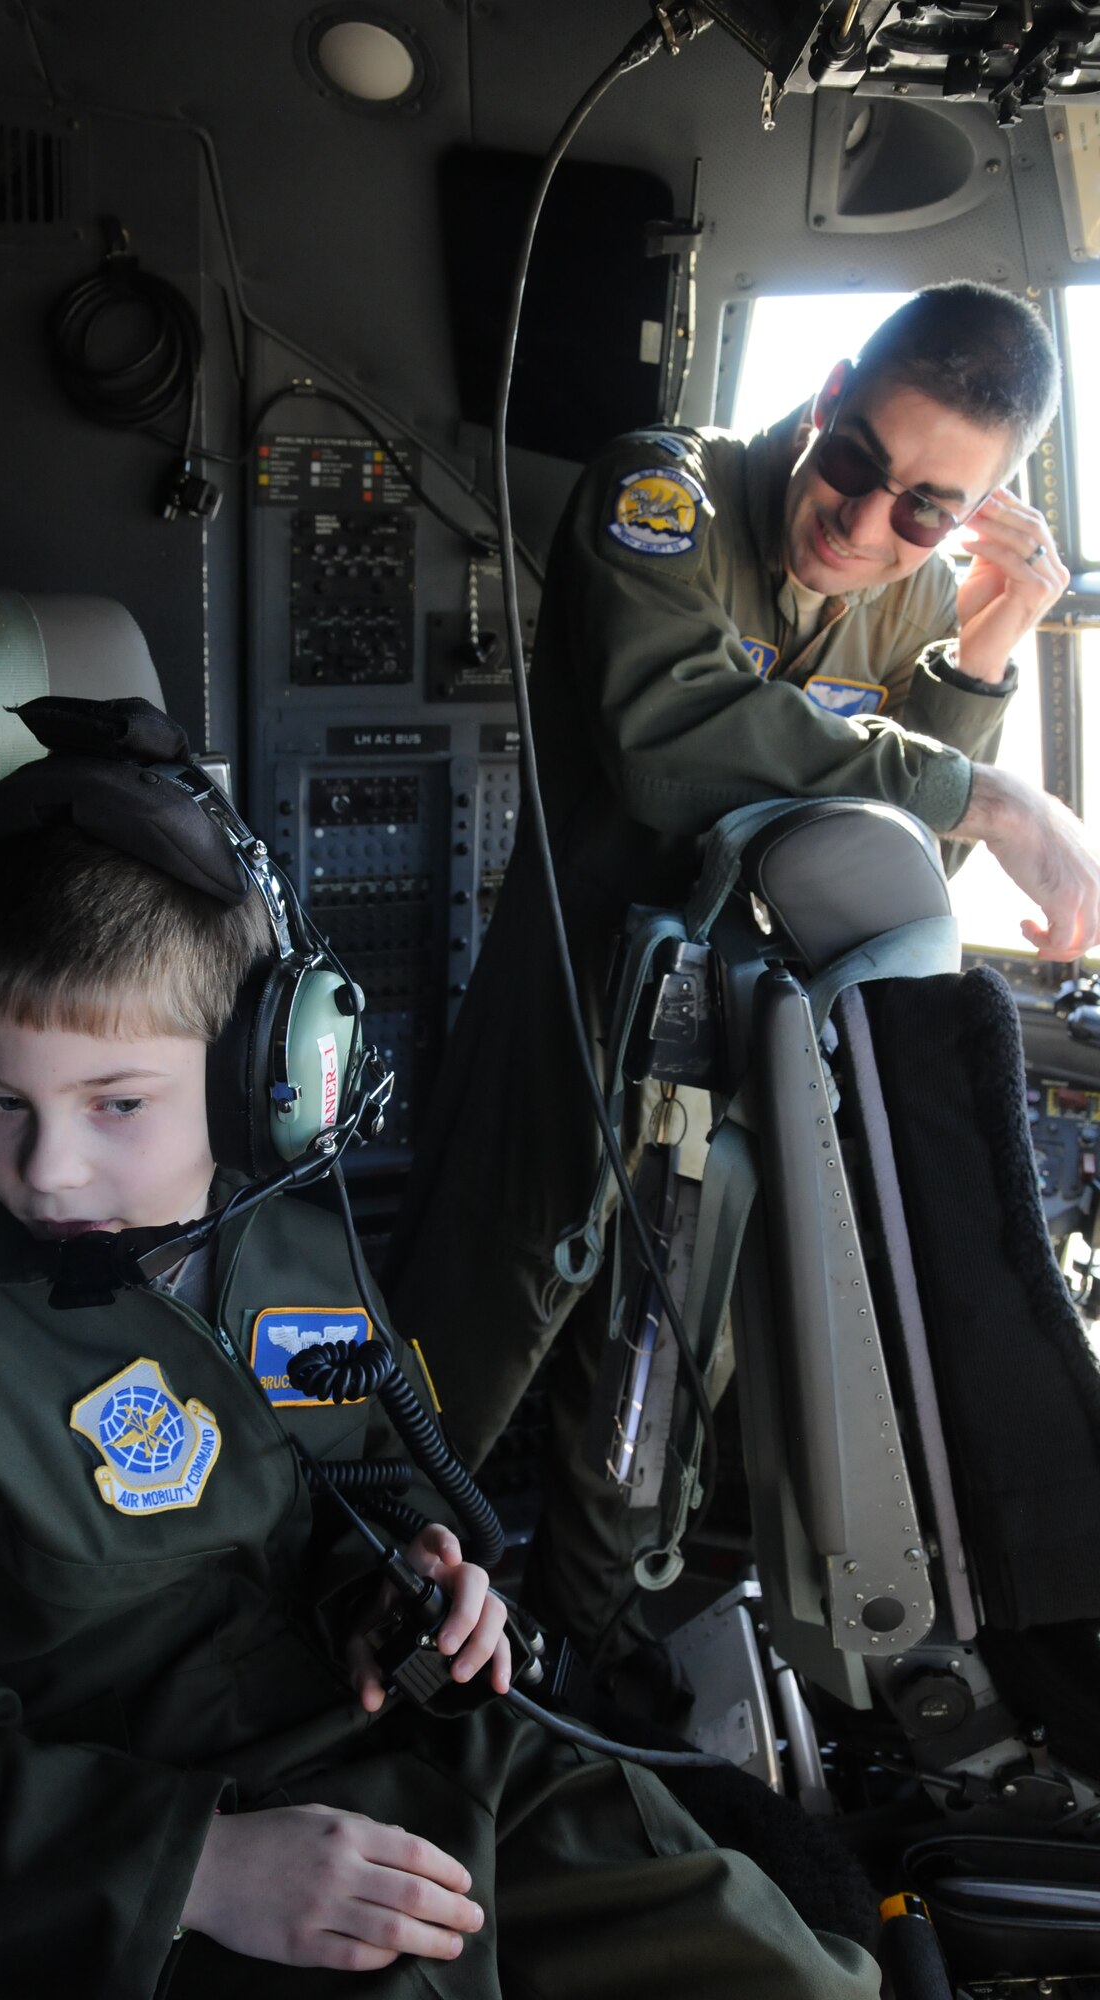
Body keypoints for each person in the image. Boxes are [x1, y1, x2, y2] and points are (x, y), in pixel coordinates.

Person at [0, 699, 883, 1999]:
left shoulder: (305, 1265)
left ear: (270, 1071)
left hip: (436, 1772)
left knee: (785, 1975)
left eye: (117, 1103)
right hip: (149, 1865)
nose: (49, 1167)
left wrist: (414, 1589)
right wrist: (198, 1869)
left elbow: (375, 1488)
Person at [387, 281, 1100, 1674]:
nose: (862, 522)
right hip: (570, 1031)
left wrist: (984, 654)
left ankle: (575, 1680)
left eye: (925, 512)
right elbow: (676, 743)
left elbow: (876, 879)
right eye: (857, 463)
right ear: (828, 393)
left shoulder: (902, 604)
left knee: (642, 1432)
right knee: (446, 1386)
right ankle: (373, 1645)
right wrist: (993, 795)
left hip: (717, 1086)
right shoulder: (663, 497)